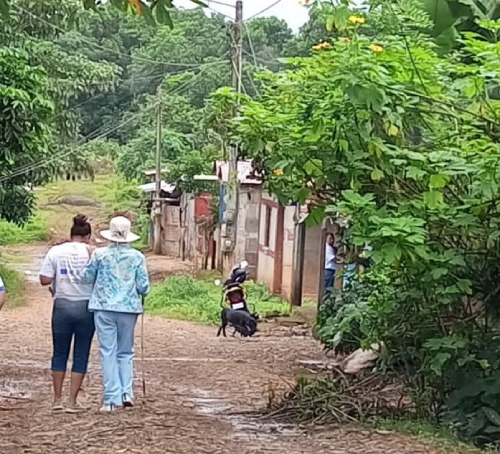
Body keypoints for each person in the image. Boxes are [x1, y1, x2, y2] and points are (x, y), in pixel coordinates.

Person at [83, 216, 150, 412]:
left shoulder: (99, 254)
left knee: (108, 351)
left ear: (110, 234)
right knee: (126, 351)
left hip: (104, 308)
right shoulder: (137, 257)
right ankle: (126, 392)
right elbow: (143, 286)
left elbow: (87, 277)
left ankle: (111, 399)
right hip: (128, 309)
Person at [39, 215, 95, 413]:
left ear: (71, 234)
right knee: (81, 353)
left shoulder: (56, 251)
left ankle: (57, 400)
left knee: (59, 352)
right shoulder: (92, 252)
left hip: (62, 306)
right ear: (88, 236)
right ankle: (72, 401)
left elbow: (45, 279)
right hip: (85, 307)